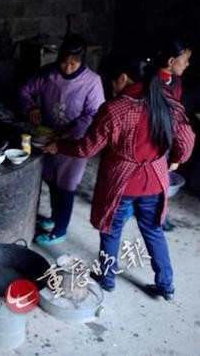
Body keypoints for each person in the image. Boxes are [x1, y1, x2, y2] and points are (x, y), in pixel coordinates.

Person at [42, 54, 195, 300]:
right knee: (154, 231)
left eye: (110, 82)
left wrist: (59, 146)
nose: (110, 88)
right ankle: (166, 285)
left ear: (122, 78)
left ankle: (107, 277)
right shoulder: (167, 101)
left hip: (121, 183)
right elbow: (187, 140)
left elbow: (87, 149)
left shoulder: (115, 109)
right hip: (155, 180)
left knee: (111, 230)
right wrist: (176, 158)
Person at [19, 34, 105, 246]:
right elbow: (25, 90)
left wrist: (67, 132)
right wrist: (31, 106)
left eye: (73, 63)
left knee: (66, 185)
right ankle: (54, 217)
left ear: (82, 60)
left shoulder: (92, 82)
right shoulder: (49, 74)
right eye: (64, 61)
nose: (67, 67)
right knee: (51, 179)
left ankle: (60, 229)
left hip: (74, 142)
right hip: (47, 137)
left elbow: (94, 113)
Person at [154, 38, 192, 231]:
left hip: (168, 138)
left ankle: (160, 216)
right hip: (154, 139)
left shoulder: (175, 81)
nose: (187, 64)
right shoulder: (153, 81)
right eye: (184, 59)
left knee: (165, 177)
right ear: (170, 62)